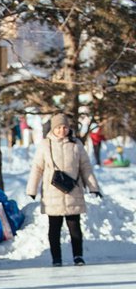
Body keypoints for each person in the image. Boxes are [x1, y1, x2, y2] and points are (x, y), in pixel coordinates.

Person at [26, 114, 101, 266]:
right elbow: (37, 167)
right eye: (59, 127)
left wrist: (94, 187)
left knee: (75, 227)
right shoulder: (45, 145)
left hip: (73, 191)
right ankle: (56, 258)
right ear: (53, 128)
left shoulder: (76, 144)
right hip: (52, 192)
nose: (62, 130)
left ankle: (78, 256)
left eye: (65, 127)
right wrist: (32, 189)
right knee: (54, 228)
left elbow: (85, 167)